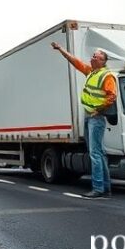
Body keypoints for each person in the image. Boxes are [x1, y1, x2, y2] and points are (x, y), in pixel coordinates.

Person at [51, 42, 117, 199]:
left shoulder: (106, 75)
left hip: (96, 118)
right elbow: (75, 62)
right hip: (90, 117)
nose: (93, 58)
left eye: (97, 57)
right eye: (93, 55)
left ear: (103, 61)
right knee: (99, 153)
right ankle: (105, 189)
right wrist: (61, 49)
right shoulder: (91, 72)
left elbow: (112, 96)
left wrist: (98, 110)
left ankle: (98, 189)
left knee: (95, 153)